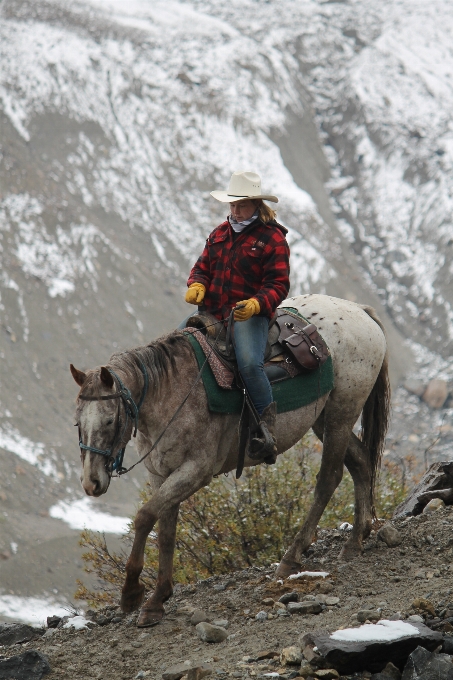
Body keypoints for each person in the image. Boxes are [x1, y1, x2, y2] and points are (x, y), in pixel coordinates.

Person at [184, 170, 290, 460]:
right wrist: (196, 284)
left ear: (256, 204)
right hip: (213, 312)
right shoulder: (219, 233)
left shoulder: (273, 239)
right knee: (177, 345)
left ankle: (266, 430)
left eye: (242, 205)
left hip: (250, 317)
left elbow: (279, 284)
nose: (235, 210)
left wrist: (256, 305)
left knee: (248, 365)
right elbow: (202, 267)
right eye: (232, 204)